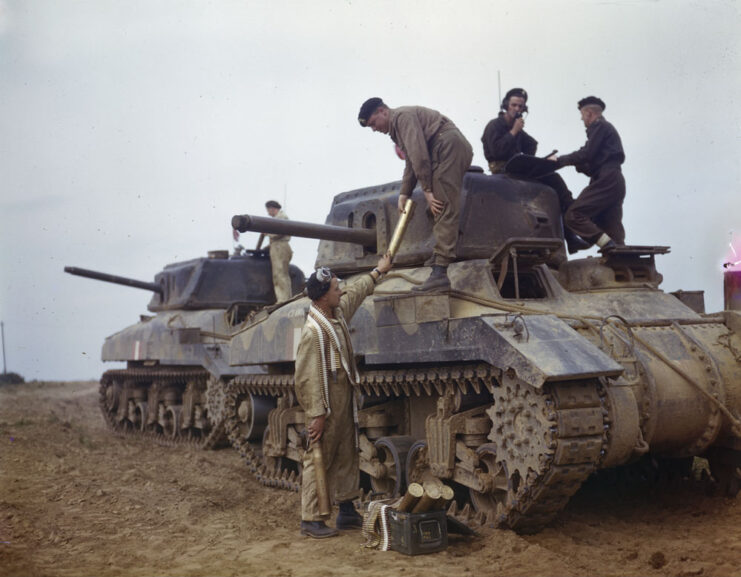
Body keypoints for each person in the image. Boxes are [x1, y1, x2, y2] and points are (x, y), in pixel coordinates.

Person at [295, 252, 393, 539]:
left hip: (343, 398)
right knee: (320, 457)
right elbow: (306, 377)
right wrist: (316, 414)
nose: (341, 292)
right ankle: (310, 519)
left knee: (348, 452)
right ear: (324, 296)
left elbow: (357, 292)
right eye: (336, 289)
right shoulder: (314, 332)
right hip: (325, 404)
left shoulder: (334, 314)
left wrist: (378, 272)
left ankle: (347, 509)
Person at [358, 97, 473, 291]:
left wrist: (427, 190)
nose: (374, 129)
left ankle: (440, 274)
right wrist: (405, 192)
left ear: (382, 111)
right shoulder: (398, 125)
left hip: (446, 146)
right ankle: (439, 257)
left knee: (441, 205)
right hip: (445, 146)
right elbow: (412, 161)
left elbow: (419, 155)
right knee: (433, 209)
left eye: (373, 123)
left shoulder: (402, 117)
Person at [482, 88, 589, 254]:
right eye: (514, 105)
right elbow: (496, 152)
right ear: (506, 106)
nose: (517, 109)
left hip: (518, 168)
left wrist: (532, 160)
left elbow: (532, 144)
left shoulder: (518, 130)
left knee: (554, 182)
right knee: (554, 179)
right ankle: (575, 223)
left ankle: (572, 232)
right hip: (501, 169)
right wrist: (514, 131)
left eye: (520, 106)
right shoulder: (495, 126)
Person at [548, 96, 626, 253]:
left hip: (606, 179)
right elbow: (591, 162)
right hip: (615, 180)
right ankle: (619, 254)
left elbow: (587, 154)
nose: (583, 121)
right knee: (611, 225)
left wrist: (559, 161)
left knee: (574, 214)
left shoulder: (599, 126)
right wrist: (579, 164)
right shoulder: (605, 129)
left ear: (589, 114)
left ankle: (606, 244)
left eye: (583, 116)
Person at [234, 200, 294, 302]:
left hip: (280, 247)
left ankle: (284, 300)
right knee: (278, 275)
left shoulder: (281, 217)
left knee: (280, 274)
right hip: (277, 246)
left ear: (272, 208)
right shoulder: (278, 218)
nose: (268, 213)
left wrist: (267, 232)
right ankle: (283, 298)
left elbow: (279, 233)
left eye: (268, 210)